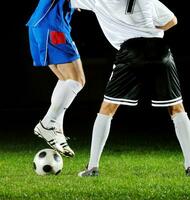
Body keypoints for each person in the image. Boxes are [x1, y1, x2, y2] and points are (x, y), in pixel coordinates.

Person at [71, 0, 190, 176]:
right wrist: (149, 29)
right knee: (176, 108)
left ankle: (92, 167)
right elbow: (172, 21)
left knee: (107, 109)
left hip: (131, 51)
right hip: (160, 50)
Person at [26, 0, 85, 157]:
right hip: (51, 26)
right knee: (77, 80)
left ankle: (56, 130)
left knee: (66, 81)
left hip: (46, 25)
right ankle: (47, 125)